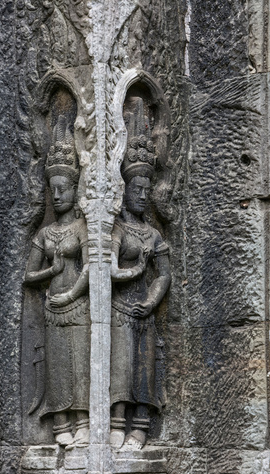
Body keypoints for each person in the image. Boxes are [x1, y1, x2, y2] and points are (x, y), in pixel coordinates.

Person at [110, 98, 171, 450]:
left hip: (142, 310)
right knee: (120, 367)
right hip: (119, 308)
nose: (143, 195)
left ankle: (141, 424)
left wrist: (150, 301)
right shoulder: (117, 229)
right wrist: (135, 269)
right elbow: (109, 269)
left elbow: (164, 274)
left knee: (143, 368)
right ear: (125, 190)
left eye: (147, 190)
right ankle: (117, 420)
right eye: (137, 189)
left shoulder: (153, 234)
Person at [25, 116, 90, 448]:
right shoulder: (44, 233)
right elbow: (28, 276)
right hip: (53, 307)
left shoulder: (83, 228)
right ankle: (61, 422)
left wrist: (71, 294)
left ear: (75, 188)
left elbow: (93, 266)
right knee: (58, 365)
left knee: (81, 362)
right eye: (54, 190)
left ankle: (84, 421)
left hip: (78, 305)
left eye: (64, 188)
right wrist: (51, 272)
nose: (58, 195)